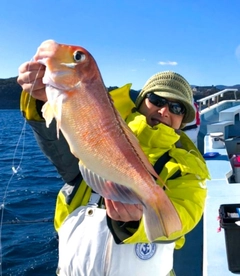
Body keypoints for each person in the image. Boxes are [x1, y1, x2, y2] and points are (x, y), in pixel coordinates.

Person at [17, 64, 210, 276]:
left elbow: (183, 216)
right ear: (141, 102)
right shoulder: (97, 134)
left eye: (177, 108)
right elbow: (60, 144)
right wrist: (44, 98)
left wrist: (137, 222)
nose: (164, 111)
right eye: (157, 100)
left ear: (183, 120)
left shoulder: (188, 169)